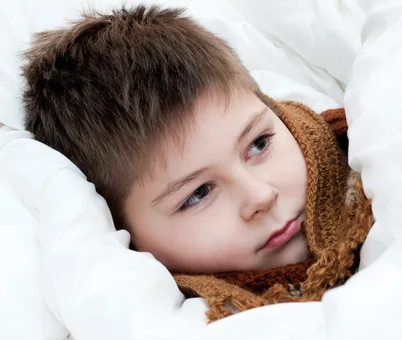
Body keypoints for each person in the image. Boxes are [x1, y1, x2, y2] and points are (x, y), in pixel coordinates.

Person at [21, 5, 373, 321]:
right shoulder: (191, 320)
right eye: (199, 193)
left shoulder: (372, 150)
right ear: (126, 234)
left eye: (259, 144)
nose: (261, 196)